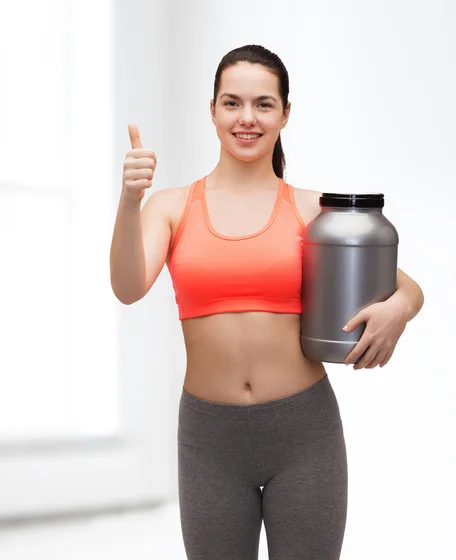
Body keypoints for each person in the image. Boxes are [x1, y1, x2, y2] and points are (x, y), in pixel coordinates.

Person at [110, 44, 424, 560]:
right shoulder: (170, 207)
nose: (247, 118)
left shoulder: (310, 210)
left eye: (263, 104)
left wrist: (400, 309)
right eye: (232, 103)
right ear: (211, 110)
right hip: (209, 438)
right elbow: (127, 287)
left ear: (285, 113)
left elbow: (405, 285)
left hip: (304, 434)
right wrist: (129, 201)